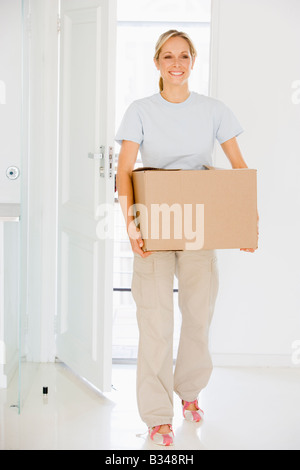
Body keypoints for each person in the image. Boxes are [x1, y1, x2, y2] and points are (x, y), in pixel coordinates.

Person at [115, 30, 258, 447]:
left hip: (201, 223)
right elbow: (125, 173)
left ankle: (190, 392)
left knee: (198, 315)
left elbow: (238, 168)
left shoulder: (213, 110)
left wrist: (246, 222)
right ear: (157, 62)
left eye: (183, 56)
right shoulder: (140, 110)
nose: (176, 63)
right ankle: (157, 416)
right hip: (154, 222)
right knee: (154, 322)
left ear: (193, 61)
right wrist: (130, 224)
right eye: (167, 56)